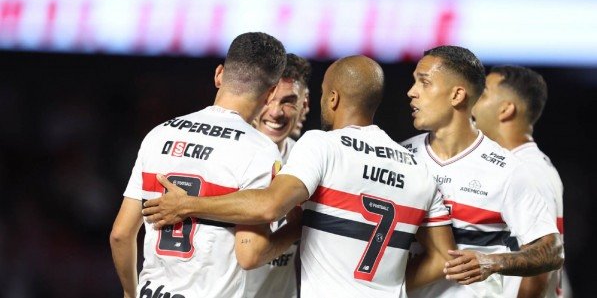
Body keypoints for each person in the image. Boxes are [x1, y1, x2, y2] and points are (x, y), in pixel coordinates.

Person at [142, 55, 459, 297]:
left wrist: (188, 205)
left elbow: (268, 207)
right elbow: (446, 259)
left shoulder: (323, 145)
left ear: (331, 98)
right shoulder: (419, 168)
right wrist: (391, 286)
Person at [109, 32, 300, 298]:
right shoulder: (258, 150)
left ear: (219, 74)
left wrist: (131, 293)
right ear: (270, 94)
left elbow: (120, 233)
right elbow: (250, 253)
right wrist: (295, 229)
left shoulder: (159, 134)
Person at [401, 46, 564, 297]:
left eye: (424, 83)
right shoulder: (400, 156)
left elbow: (552, 251)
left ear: (457, 95)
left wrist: (492, 262)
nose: (411, 92)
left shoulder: (508, 169)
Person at [472, 65, 565, 298]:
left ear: (505, 109)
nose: (471, 102)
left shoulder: (528, 170)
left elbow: (539, 272)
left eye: (482, 95)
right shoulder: (517, 165)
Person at [247, 53, 311, 298]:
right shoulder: (228, 154)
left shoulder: (310, 161)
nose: (275, 112)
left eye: (288, 101)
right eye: (268, 99)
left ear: (304, 104)